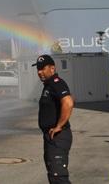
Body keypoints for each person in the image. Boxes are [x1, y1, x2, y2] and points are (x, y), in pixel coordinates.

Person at [34, 54, 74, 184]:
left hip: (58, 137)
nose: (39, 72)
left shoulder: (57, 83)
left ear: (52, 68)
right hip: (51, 137)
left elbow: (68, 103)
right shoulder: (48, 85)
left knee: (58, 178)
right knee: (54, 176)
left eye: (42, 68)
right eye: (38, 69)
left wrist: (59, 126)